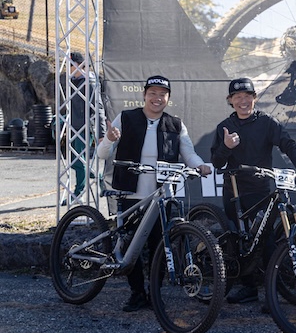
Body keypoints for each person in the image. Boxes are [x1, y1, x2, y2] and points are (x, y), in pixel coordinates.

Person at [96, 75, 212, 312]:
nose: (157, 98)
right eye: (152, 93)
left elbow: (188, 153)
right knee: (131, 246)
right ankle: (137, 293)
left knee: (159, 245)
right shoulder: (126, 118)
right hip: (129, 193)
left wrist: (200, 165)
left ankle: (155, 293)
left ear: (168, 98)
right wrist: (109, 139)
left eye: (162, 94)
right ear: (144, 95)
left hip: (161, 197)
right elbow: (102, 154)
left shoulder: (175, 124)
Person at [210, 77, 296, 307]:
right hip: (234, 192)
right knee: (238, 242)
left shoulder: (267, 122)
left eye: (247, 96)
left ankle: (271, 294)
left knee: (266, 243)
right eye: (238, 97)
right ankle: (248, 288)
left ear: (255, 98)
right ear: (230, 100)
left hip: (260, 192)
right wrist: (226, 147)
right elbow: (217, 163)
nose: (243, 101)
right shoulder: (224, 127)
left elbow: (288, 144)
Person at [60, 51, 106, 205]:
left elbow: (98, 108)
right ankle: (100, 178)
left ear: (79, 65)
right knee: (74, 161)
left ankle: (78, 192)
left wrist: (101, 133)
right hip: (73, 127)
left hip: (85, 128)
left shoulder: (90, 83)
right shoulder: (71, 81)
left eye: (71, 65)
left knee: (79, 161)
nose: (68, 68)